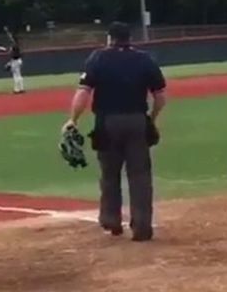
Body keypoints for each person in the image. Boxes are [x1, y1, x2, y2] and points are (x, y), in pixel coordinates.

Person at [61, 21, 166, 241]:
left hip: (107, 122)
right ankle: (142, 226)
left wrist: (73, 120)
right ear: (130, 38)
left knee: (109, 172)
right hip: (137, 120)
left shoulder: (98, 58)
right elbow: (160, 97)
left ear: (110, 38)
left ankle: (111, 219)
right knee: (140, 175)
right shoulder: (144, 59)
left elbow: (83, 92)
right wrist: (152, 119)